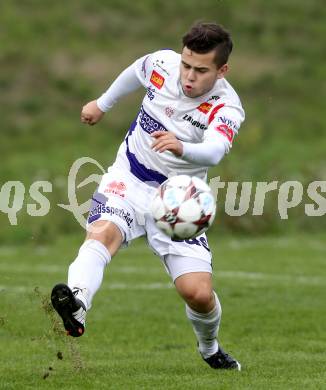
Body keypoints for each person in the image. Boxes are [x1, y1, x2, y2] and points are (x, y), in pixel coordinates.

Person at [51, 22, 245, 371]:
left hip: (178, 200)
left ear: (222, 70)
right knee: (102, 233)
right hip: (127, 176)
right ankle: (77, 301)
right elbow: (135, 70)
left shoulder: (226, 106)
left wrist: (182, 146)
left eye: (201, 70)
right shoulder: (163, 64)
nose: (189, 76)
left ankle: (209, 347)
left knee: (198, 294)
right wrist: (102, 103)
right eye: (187, 65)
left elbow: (215, 151)